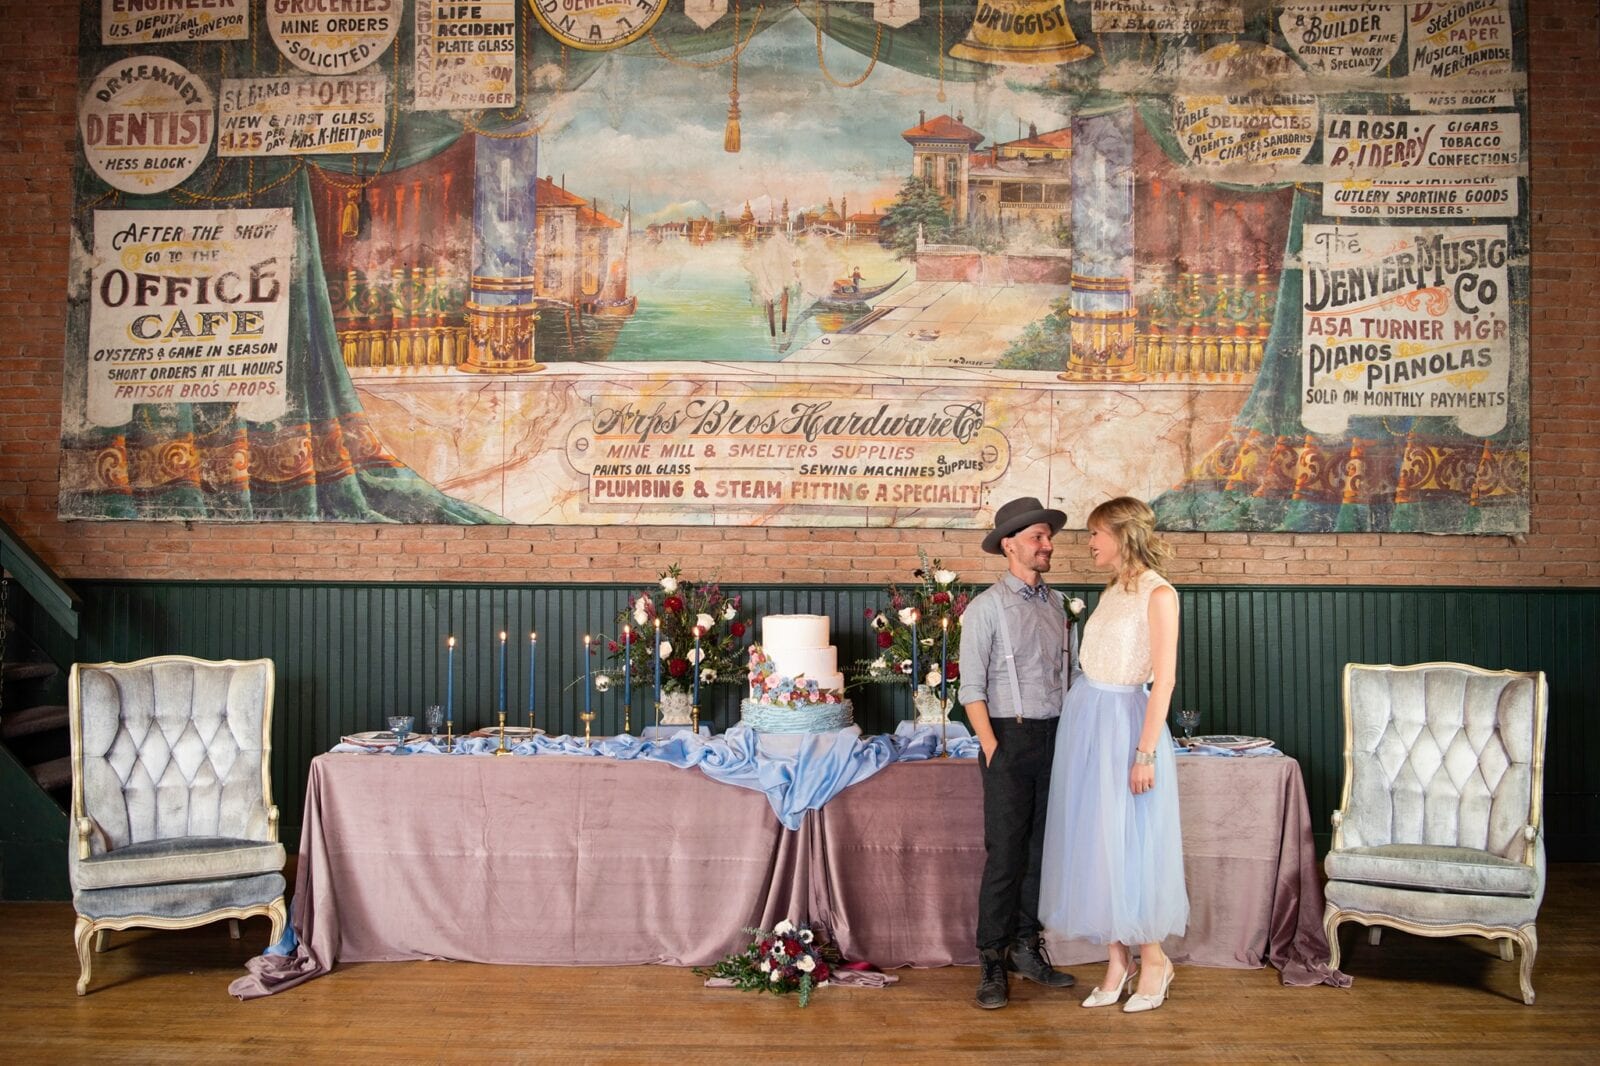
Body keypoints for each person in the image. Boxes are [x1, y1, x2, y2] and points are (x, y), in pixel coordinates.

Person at [1039, 496, 1188, 1013]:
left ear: (1123, 535)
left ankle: (1154, 960)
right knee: (1096, 840)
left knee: (1131, 844)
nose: (1090, 543)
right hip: (1087, 723)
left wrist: (1144, 753)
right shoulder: (1111, 589)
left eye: (1096, 533)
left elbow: (1163, 680)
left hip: (1127, 725)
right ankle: (1116, 961)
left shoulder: (1159, 593)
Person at [958, 496, 1077, 1009]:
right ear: (1010, 545)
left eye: (1048, 537)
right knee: (1005, 854)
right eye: (1038, 537)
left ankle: (1027, 948)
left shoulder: (1058, 606)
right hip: (1007, 737)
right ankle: (991, 958)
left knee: (1040, 854)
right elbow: (971, 689)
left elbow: (1068, 679)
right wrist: (993, 749)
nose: (1047, 545)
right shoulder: (985, 609)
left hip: (1056, 738)